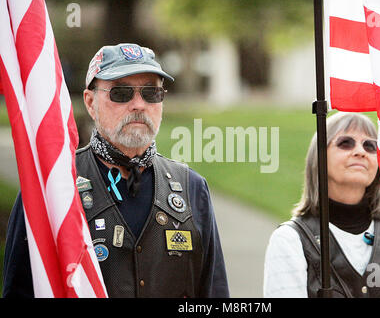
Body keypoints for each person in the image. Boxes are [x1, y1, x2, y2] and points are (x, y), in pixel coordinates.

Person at [3, 43, 229, 298]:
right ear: (90, 102)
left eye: (151, 93)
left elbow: (214, 292)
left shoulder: (192, 188)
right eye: (121, 93)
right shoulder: (53, 188)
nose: (138, 105)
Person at [263, 112, 380, 298]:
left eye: (370, 146)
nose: (360, 151)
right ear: (319, 156)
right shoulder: (290, 239)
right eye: (345, 143)